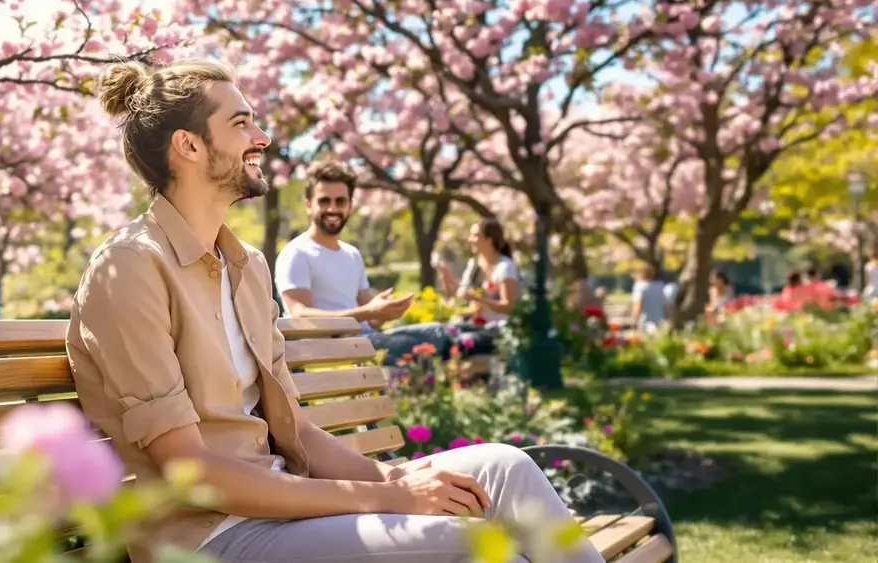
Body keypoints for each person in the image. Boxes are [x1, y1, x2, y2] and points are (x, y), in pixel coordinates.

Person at [65, 58, 601, 563]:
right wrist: (394, 499)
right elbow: (192, 471)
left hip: (287, 507)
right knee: (463, 539)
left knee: (506, 467)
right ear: (189, 145)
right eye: (241, 123)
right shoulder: (129, 269)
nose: (263, 138)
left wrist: (391, 482)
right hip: (211, 534)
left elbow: (298, 432)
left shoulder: (247, 267)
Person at [274, 160, 484, 366]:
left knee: (441, 332)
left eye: (340, 201)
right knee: (442, 338)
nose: (332, 208)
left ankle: (489, 339)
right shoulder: (296, 253)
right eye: (324, 201)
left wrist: (382, 312)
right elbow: (300, 314)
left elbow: (370, 320)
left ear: (350, 206)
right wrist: (369, 312)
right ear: (309, 206)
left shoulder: (352, 254)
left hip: (365, 341)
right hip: (332, 351)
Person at [628, 263, 668, 331]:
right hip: (660, 321)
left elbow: (638, 306)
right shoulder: (660, 286)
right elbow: (665, 305)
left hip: (645, 323)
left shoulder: (639, 287)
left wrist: (634, 321)